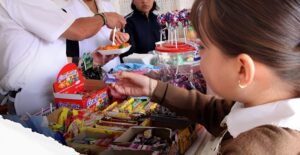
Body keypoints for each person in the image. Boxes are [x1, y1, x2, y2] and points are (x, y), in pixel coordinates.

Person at [111, 0, 300, 154]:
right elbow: (214, 111)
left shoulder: (252, 150)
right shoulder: (262, 103)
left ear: (242, 70)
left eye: (202, 47)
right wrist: (153, 88)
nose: (197, 54)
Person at [0, 0, 126, 115]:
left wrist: (93, 60)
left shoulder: (49, 5)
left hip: (56, 94)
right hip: (31, 102)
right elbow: (79, 30)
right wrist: (104, 18)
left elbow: (55, 57)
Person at [62, 0, 130, 59]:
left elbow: (114, 32)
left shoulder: (107, 5)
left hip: (114, 67)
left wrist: (119, 36)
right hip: (86, 67)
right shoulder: (67, 7)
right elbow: (78, 32)